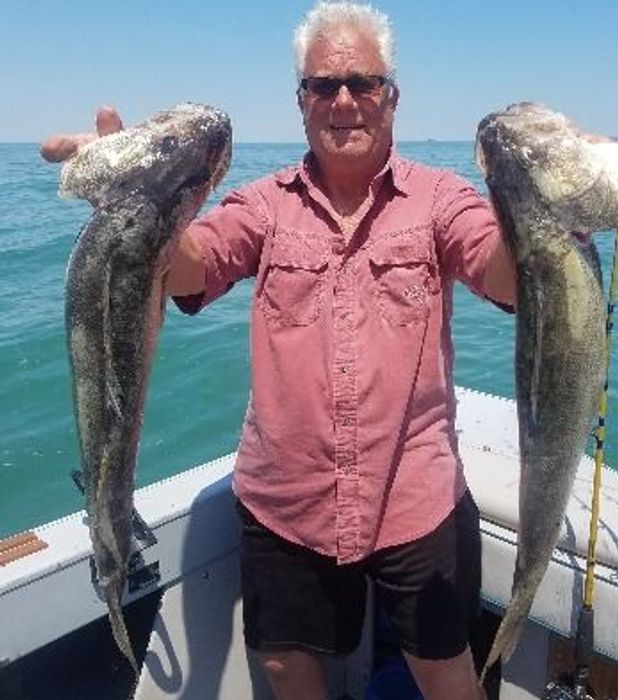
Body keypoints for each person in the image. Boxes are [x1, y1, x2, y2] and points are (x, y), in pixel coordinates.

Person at [42, 3, 516, 699]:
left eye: (363, 82)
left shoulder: (443, 199)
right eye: (324, 86)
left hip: (416, 494)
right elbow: (194, 266)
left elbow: (502, 271)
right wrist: (134, 202)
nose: (345, 101)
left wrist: (550, 212)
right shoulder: (264, 204)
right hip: (286, 499)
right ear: (301, 103)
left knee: (446, 672)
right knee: (282, 666)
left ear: (392, 95)